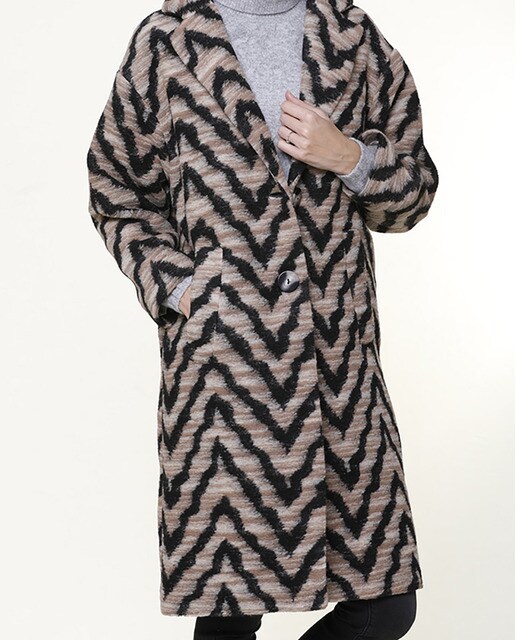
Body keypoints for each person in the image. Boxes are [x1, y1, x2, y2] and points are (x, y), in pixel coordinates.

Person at [86, 0, 439, 637]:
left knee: (386, 606)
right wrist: (179, 286)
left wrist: (350, 157)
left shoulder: (350, 34)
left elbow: (413, 193)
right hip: (225, 381)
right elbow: (116, 192)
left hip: (338, 377)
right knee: (230, 612)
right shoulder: (167, 41)